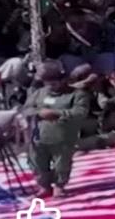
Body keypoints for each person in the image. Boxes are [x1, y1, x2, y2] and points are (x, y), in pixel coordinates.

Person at [21, 60, 89, 198]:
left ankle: (59, 186)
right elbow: (26, 109)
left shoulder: (76, 94)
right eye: (47, 83)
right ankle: (44, 186)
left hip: (63, 135)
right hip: (39, 135)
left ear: (63, 80)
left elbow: (80, 112)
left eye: (54, 83)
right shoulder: (39, 93)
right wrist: (39, 112)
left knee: (61, 163)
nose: (50, 86)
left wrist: (57, 113)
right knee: (37, 162)